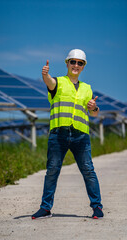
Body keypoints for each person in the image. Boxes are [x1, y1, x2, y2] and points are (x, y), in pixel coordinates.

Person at [32, 49, 104, 220]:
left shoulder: (87, 88)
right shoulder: (58, 82)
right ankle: (45, 208)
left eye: (80, 63)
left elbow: (94, 113)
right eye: (73, 62)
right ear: (67, 63)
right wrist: (45, 75)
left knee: (88, 171)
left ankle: (97, 207)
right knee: (52, 171)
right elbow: (49, 83)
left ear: (83, 66)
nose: (76, 65)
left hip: (81, 135)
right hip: (59, 135)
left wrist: (93, 107)